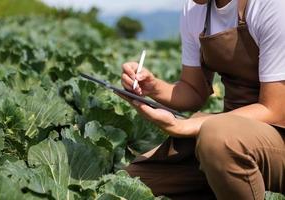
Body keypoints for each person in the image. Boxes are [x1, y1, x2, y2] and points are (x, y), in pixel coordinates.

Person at [119, 0, 285, 199]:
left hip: (275, 135)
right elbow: (194, 91)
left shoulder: (271, 5)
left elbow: (274, 109)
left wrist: (187, 126)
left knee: (217, 138)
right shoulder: (194, 9)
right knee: (132, 183)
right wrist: (154, 88)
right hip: (229, 137)